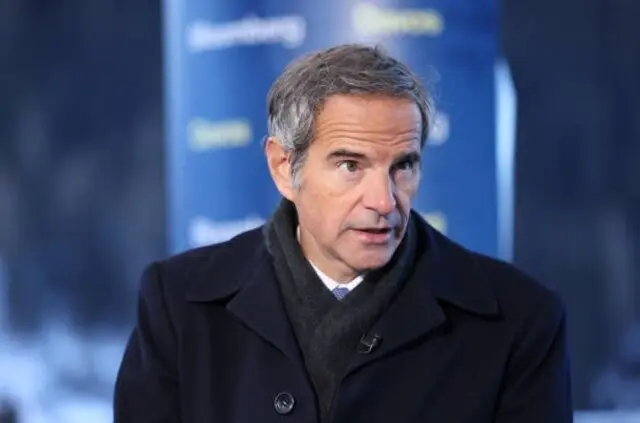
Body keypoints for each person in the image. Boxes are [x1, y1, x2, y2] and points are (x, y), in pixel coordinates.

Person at [113, 44, 573, 422]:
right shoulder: (179, 306)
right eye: (351, 165)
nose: (384, 202)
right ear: (283, 166)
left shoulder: (520, 321)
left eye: (403, 166)